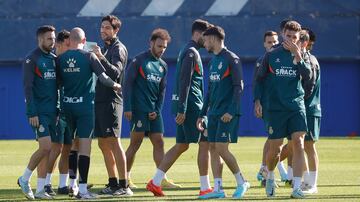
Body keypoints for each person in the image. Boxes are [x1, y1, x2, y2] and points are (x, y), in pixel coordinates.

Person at [146, 19, 220, 197]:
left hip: (186, 104)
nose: (209, 40)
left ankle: (155, 182)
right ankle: (205, 188)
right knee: (205, 143)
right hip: (191, 106)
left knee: (181, 145)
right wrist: (183, 108)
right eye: (207, 36)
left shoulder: (187, 50)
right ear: (199, 34)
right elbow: (184, 81)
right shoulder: (191, 52)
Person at [57, 27, 121, 199]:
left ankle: (72, 185)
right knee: (85, 147)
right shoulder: (89, 56)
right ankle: (83, 190)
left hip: (66, 107)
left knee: (72, 147)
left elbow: (56, 84)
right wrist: (116, 85)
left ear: (69, 41)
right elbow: (104, 78)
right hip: (84, 108)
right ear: (84, 41)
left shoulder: (60, 59)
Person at [255, 20, 312, 199]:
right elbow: (259, 79)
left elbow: (308, 77)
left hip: (296, 106)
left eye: (294, 37)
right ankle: (270, 175)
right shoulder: (272, 55)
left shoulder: (302, 54)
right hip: (275, 108)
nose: (291, 40)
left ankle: (296, 187)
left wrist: (299, 56)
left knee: (298, 143)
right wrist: (257, 101)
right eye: (288, 36)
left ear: (298, 38)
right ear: (282, 35)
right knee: (276, 149)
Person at [196, 26, 250, 199]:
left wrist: (231, 111)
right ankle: (218, 189)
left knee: (221, 148)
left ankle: (242, 182)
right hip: (213, 113)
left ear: (212, 38)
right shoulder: (213, 61)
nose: (204, 43)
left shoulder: (231, 59)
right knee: (212, 147)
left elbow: (238, 86)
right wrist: (202, 113)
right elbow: (210, 91)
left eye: (205, 40)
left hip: (227, 113)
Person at [124, 28, 180, 189]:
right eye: (159, 46)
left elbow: (162, 91)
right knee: (135, 143)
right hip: (138, 110)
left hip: (153, 111)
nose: (161, 50)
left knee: (159, 142)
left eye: (164, 47)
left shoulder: (163, 65)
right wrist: (128, 107)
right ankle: (125, 178)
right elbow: (127, 85)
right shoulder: (139, 60)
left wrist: (158, 109)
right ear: (151, 43)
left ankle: (160, 178)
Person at [91, 15, 132, 196]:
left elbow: (115, 72)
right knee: (102, 143)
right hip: (100, 100)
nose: (103, 31)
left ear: (116, 30)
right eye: (102, 27)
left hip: (112, 100)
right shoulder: (106, 48)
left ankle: (124, 186)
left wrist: (100, 58)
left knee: (114, 142)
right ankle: (113, 183)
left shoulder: (118, 48)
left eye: (107, 28)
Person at [18, 25, 57, 200]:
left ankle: (41, 190)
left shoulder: (54, 59)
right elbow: (28, 87)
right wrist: (32, 112)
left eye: (54, 38)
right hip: (38, 112)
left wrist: (57, 110)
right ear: (40, 39)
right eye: (49, 38)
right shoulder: (31, 59)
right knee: (46, 146)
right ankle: (24, 178)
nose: (53, 41)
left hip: (52, 112)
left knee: (47, 151)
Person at [253, 31, 288, 186]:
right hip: (269, 104)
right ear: (264, 44)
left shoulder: (282, 57)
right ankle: (267, 170)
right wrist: (258, 102)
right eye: (269, 42)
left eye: (274, 41)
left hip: (282, 103)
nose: (272, 44)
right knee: (274, 138)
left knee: (276, 139)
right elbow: (257, 83)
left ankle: (267, 169)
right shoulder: (262, 60)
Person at [42, 29, 73, 196]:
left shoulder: (70, 62)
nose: (70, 47)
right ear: (59, 44)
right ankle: (46, 183)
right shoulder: (52, 61)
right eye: (68, 44)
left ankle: (63, 185)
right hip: (56, 111)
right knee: (56, 147)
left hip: (69, 109)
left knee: (68, 147)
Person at [301, 28, 321, 194]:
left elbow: (309, 87)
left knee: (309, 145)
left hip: (309, 109)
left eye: (299, 39)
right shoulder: (298, 58)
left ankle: (313, 184)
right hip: (299, 109)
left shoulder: (310, 60)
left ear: (305, 43)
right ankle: (306, 182)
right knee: (298, 146)